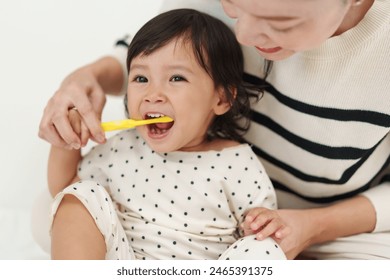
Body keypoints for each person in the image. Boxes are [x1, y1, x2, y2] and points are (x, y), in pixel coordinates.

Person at [37, 0, 390, 260]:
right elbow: (154, 48)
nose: (244, 35)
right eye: (233, 5)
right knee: (61, 209)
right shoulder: (125, 148)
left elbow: (255, 233)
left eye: (279, 20)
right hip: (132, 245)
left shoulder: (236, 163)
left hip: (340, 226)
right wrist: (85, 81)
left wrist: (308, 228)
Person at [47, 8, 287, 260]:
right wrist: (66, 140)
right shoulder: (125, 146)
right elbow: (66, 187)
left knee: (265, 246)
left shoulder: (237, 162)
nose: (153, 93)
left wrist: (260, 224)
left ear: (222, 97)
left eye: (176, 78)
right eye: (141, 78)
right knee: (80, 196)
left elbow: (262, 225)